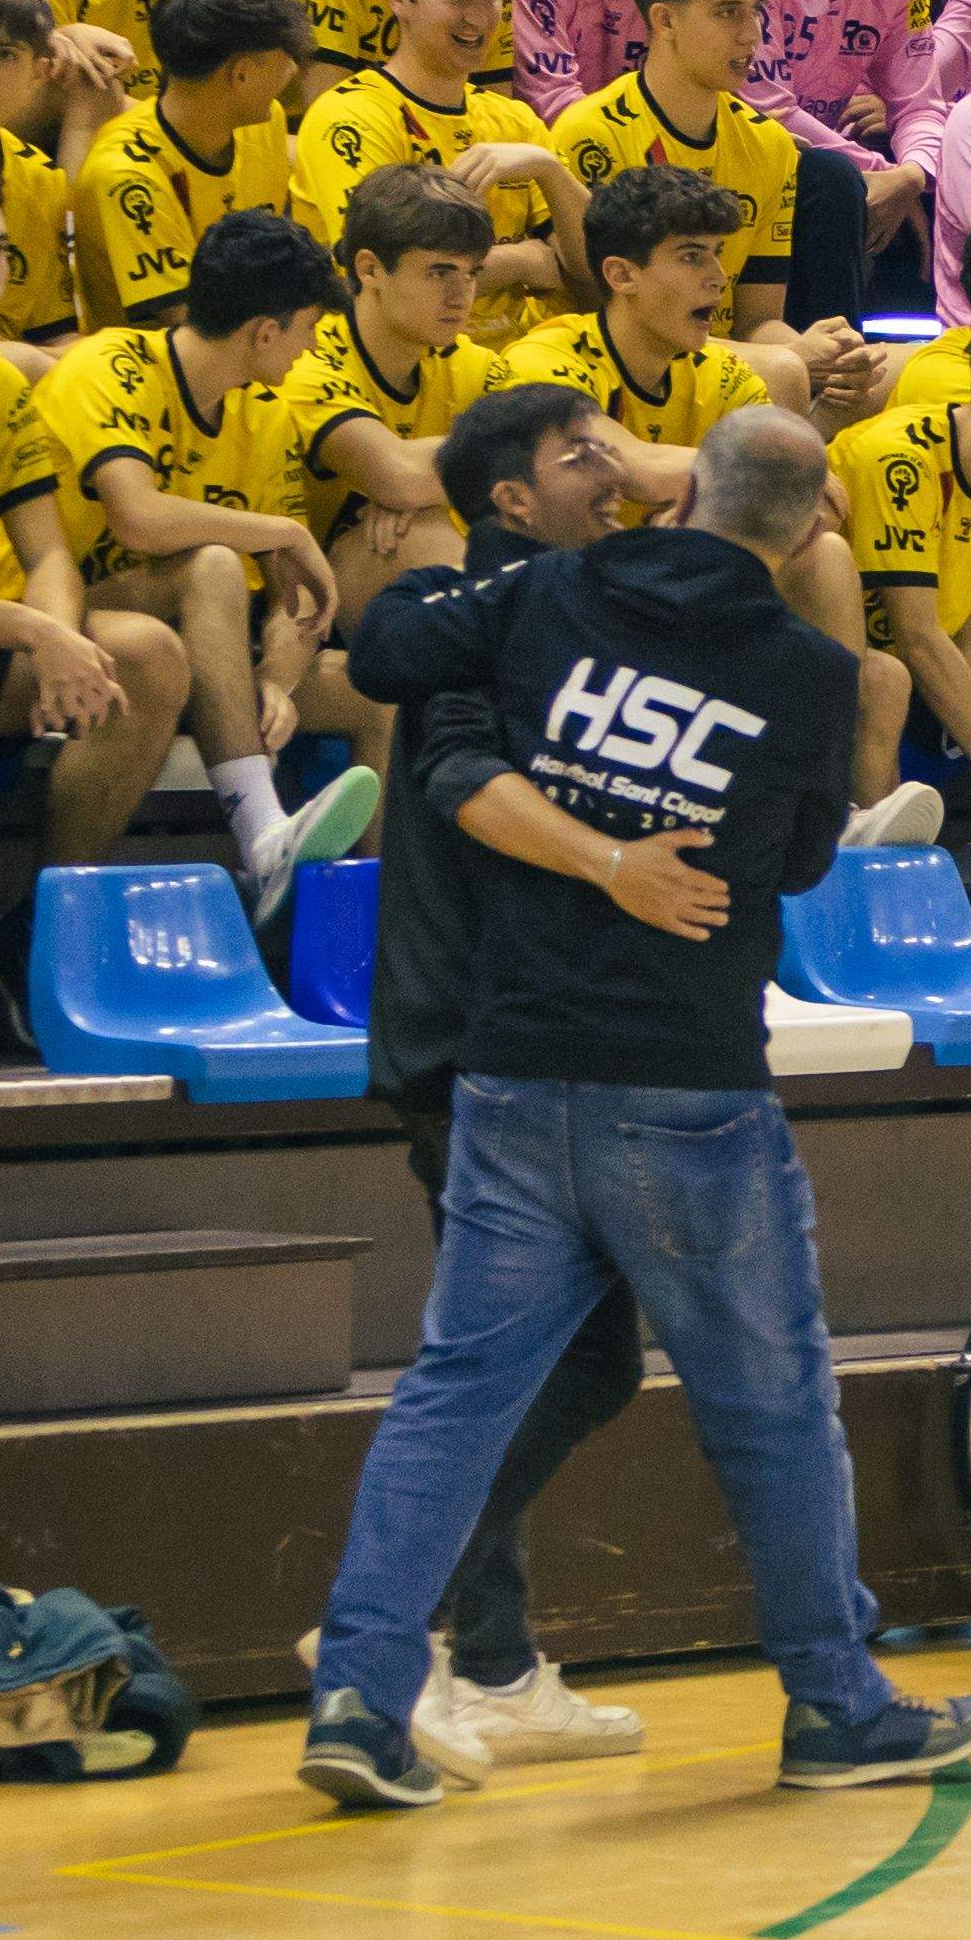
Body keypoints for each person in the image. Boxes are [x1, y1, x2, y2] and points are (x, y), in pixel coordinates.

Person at [301, 410, 971, 1804]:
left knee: (453, 1397)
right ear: (807, 533)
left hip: (509, 1066)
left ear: (680, 494)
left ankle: (360, 1698)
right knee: (774, 1406)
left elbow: (391, 654)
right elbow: (798, 863)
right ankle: (835, 1703)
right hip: (685, 1085)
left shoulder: (549, 592)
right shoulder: (810, 671)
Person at [332, 380, 672, 1775]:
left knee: (529, 1354)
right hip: (469, 1040)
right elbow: (398, 673)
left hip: (531, 1039)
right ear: (511, 504)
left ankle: (491, 1660)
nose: (609, 467)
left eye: (609, 440)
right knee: (565, 1355)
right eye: (574, 453)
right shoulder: (473, 619)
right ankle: (390, 1632)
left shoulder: (578, 617)